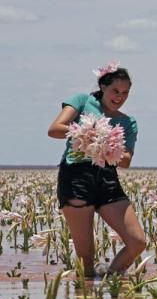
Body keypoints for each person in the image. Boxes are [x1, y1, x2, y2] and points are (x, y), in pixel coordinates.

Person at [48, 63, 146, 279]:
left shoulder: (128, 122)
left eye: (125, 93)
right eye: (115, 91)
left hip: (107, 178)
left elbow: (127, 160)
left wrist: (109, 146)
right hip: (76, 176)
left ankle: (110, 279)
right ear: (103, 86)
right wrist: (88, 133)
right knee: (86, 257)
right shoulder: (82, 101)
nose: (119, 97)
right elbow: (55, 129)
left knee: (137, 242)